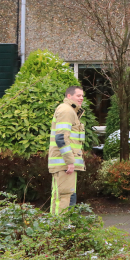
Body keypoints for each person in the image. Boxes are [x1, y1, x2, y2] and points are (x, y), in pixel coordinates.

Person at [48, 86, 86, 215]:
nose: (81, 98)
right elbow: (61, 138)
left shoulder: (70, 111)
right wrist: (70, 161)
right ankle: (60, 228)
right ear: (69, 96)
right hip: (64, 164)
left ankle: (59, 227)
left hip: (65, 164)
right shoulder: (67, 111)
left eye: (82, 96)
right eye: (78, 95)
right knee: (65, 198)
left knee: (64, 196)